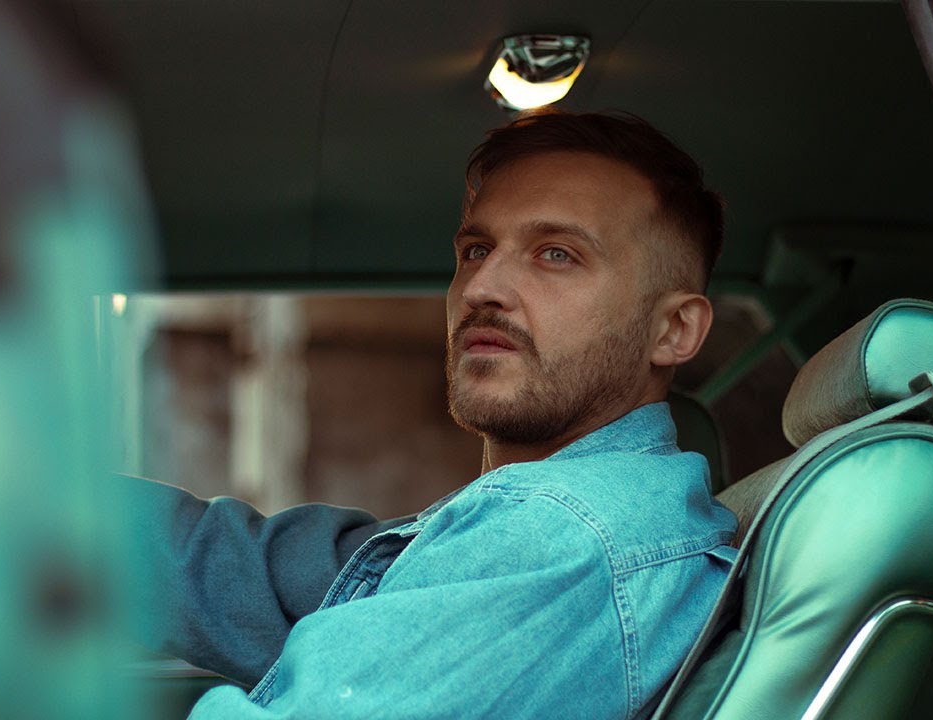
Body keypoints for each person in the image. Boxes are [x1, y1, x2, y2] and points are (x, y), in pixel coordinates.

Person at [123, 110, 737, 719]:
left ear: (674, 330)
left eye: (556, 254)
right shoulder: (567, 524)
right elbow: (251, 575)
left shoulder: (558, 538)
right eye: (476, 249)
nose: (481, 287)